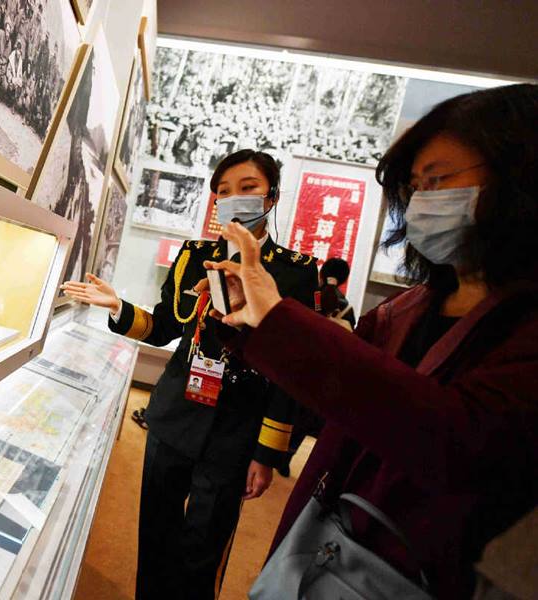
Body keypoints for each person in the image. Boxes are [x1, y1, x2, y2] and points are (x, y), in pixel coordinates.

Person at [204, 84, 538, 599]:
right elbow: (338, 404)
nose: (424, 201)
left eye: (440, 181)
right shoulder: (405, 308)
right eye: (416, 186)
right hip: (323, 540)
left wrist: (266, 447)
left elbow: (453, 436)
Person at [62, 149, 318, 600]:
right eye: (223, 191)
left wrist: (267, 452)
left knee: (204, 547)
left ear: (272, 198)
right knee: (156, 535)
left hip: (236, 431)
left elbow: (292, 373)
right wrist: (118, 305)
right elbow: (164, 328)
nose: (233, 199)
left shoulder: (295, 273)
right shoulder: (193, 255)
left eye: (248, 188)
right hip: (174, 416)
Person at [277, 257, 355, 477]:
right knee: (305, 418)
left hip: (295, 366)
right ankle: (287, 458)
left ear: (321, 274)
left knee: (283, 408)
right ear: (343, 280)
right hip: (322, 374)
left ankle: (269, 454)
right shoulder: (347, 308)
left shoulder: (308, 295)